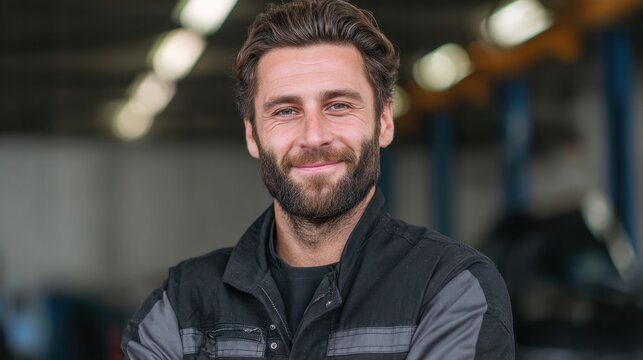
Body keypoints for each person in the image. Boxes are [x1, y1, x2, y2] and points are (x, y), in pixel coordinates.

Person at [121, 0, 514, 359]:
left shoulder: (448, 289)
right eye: (286, 111)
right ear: (252, 135)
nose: (314, 135)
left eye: (338, 105)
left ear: (384, 121)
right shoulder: (182, 304)